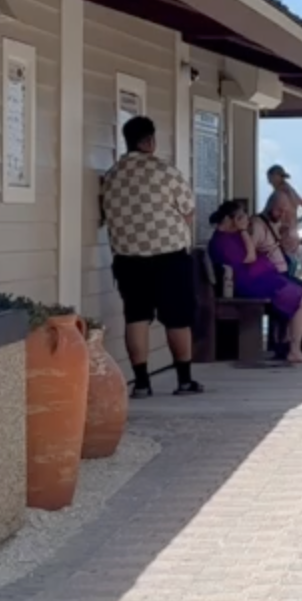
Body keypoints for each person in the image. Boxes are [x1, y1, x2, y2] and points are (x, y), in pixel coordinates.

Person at [100, 115, 203, 396]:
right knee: (177, 318)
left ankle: (142, 383)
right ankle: (184, 380)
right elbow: (188, 210)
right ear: (149, 141)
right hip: (170, 255)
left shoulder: (112, 175)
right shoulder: (165, 171)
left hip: (128, 258)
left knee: (136, 317)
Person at [208, 199, 302, 363]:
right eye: (242, 216)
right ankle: (295, 350)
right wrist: (244, 232)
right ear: (230, 219)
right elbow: (249, 257)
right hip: (251, 283)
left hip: (263, 278)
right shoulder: (222, 241)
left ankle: (289, 345)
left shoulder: (233, 235)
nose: (246, 219)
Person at [265, 165, 302, 262]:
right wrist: (296, 221)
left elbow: (267, 215)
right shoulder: (292, 192)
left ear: (276, 176)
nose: (269, 182)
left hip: (283, 236)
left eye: (270, 178)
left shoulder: (279, 194)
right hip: (293, 235)